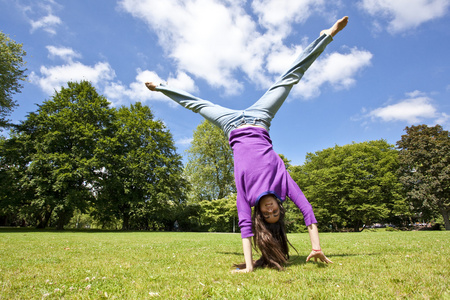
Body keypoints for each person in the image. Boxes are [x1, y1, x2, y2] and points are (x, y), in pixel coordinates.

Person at [146, 16, 348, 272]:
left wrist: (250, 267)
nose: (272, 210)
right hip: (260, 118)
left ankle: (162, 86)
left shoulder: (248, 197)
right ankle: (327, 35)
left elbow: (244, 228)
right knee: (290, 78)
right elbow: (307, 210)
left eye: (268, 215)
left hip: (231, 125)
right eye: (276, 212)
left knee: (196, 104)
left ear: (261, 216)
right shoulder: (283, 185)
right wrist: (316, 246)